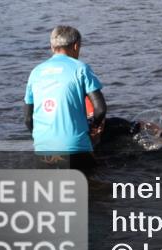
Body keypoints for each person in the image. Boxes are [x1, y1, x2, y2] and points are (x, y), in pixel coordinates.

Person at [24, 26, 107, 169]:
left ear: (52, 47)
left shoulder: (35, 72)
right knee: (96, 182)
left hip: (43, 150)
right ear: (76, 46)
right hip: (75, 147)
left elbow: (28, 119)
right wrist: (92, 129)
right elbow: (100, 109)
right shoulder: (81, 68)